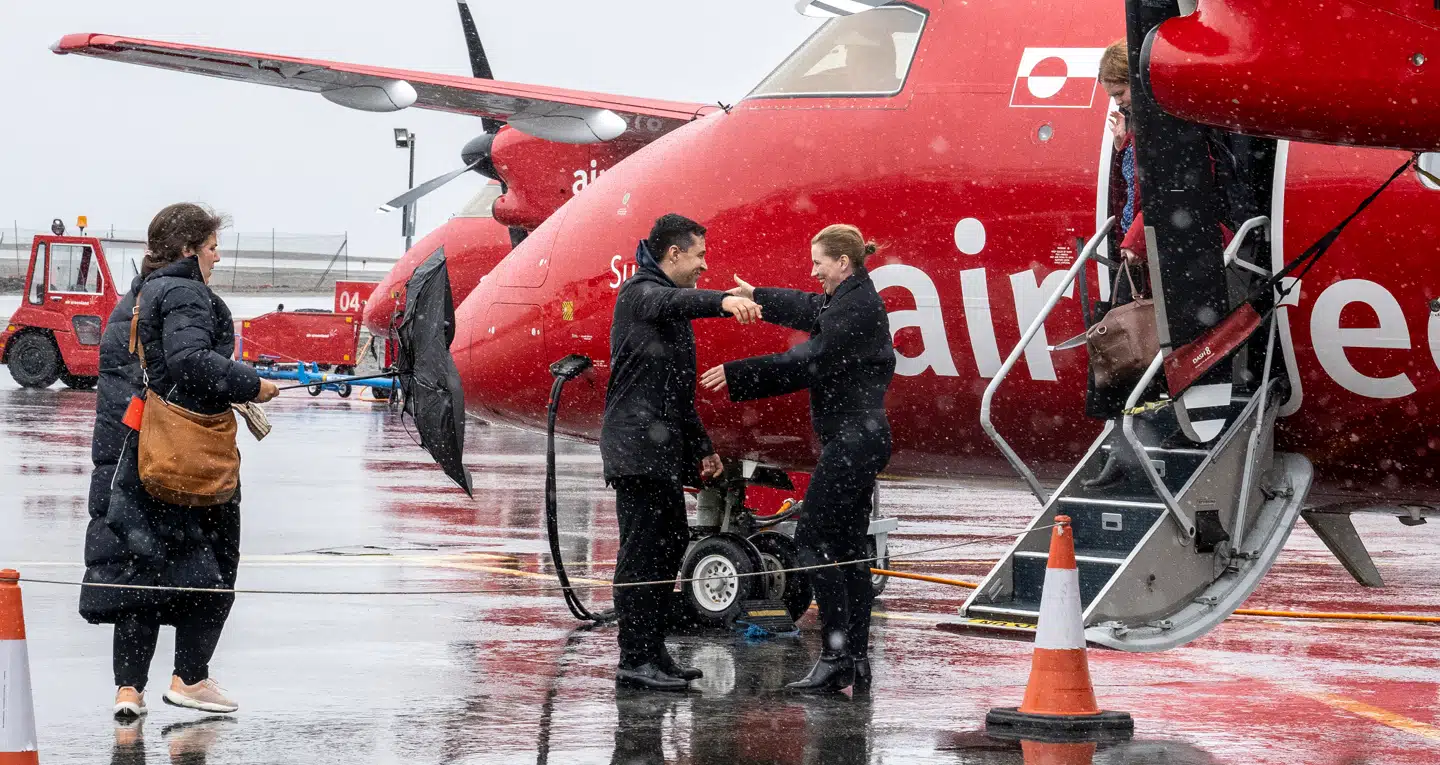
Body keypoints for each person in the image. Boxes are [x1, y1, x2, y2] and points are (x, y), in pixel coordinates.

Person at [81, 203, 279, 719]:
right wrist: (251, 384)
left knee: (139, 572)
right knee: (210, 567)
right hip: (181, 456)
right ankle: (190, 677)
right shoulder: (186, 292)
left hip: (127, 458)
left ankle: (129, 690)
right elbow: (190, 363)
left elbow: (135, 379)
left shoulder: (134, 299)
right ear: (189, 249)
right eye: (212, 247)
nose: (218, 257)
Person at [700, 224, 895, 693]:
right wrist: (759, 297)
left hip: (852, 442)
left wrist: (738, 374)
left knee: (812, 542)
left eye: (819, 263)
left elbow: (810, 358)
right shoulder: (849, 298)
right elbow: (808, 307)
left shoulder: (855, 308)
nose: (813, 272)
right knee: (848, 550)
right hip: (858, 439)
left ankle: (835, 656)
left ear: (842, 263)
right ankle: (854, 658)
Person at [601, 213, 763, 691]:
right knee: (642, 554)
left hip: (659, 452)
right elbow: (673, 299)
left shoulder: (667, 310)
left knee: (670, 543)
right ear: (673, 253)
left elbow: (677, 391)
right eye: (699, 255)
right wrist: (723, 301)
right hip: (636, 450)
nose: (704, 266)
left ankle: (654, 652)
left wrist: (703, 449)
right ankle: (634, 659)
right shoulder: (641, 294)